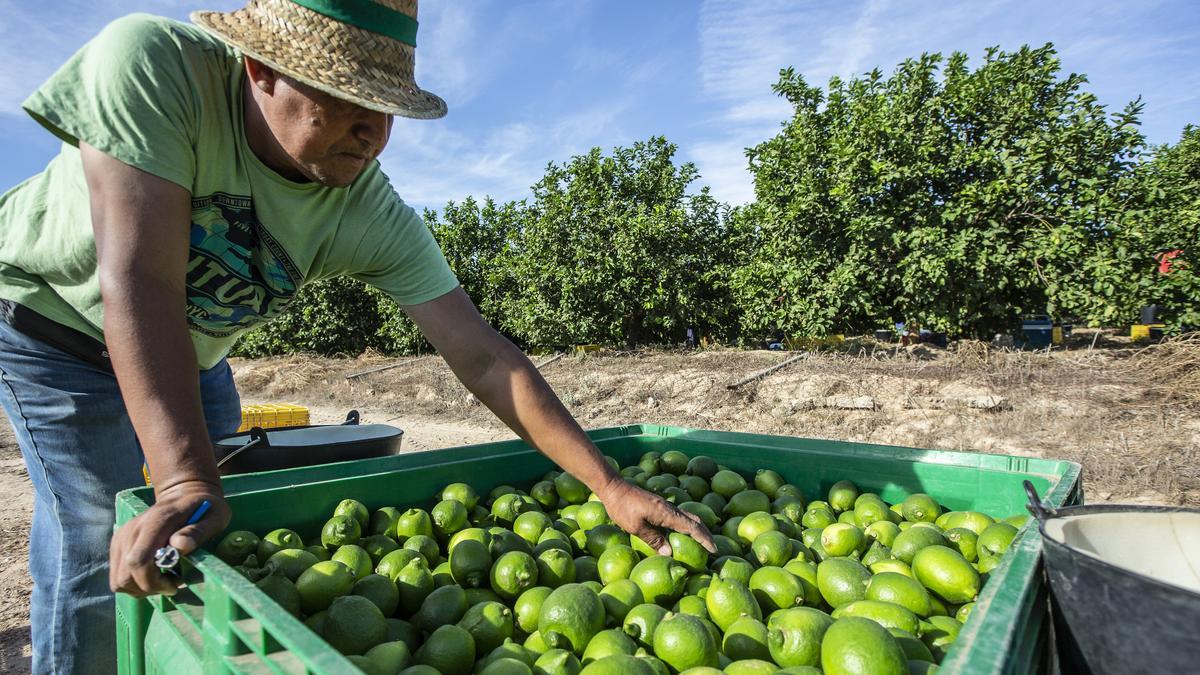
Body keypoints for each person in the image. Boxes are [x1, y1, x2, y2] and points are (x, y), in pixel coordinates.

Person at [0, 2, 714, 672]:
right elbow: (141, 282)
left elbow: (483, 355)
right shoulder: (158, 68)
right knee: (103, 538)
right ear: (261, 69)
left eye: (386, 106)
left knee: (205, 545)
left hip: (195, 355)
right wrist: (184, 476)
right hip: (54, 328)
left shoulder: (364, 206)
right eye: (343, 94)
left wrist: (608, 484)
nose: (372, 128)